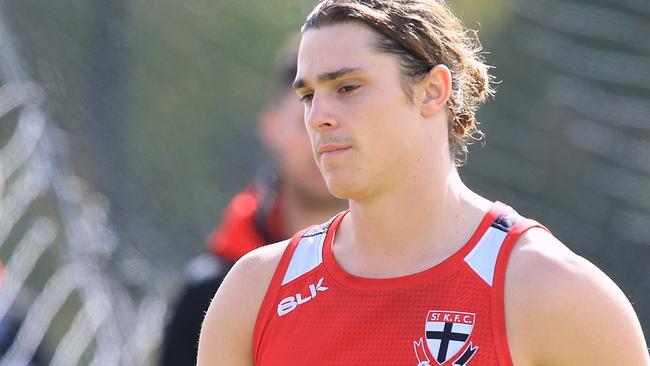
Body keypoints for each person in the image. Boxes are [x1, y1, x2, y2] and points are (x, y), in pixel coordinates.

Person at [197, 1, 650, 365]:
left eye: (348, 87)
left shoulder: (556, 293)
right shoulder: (254, 294)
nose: (317, 118)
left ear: (433, 91)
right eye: (308, 95)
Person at [158, 35, 345, 366]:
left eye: (339, 122)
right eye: (307, 120)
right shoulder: (209, 293)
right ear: (271, 127)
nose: (323, 137)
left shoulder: (407, 278)